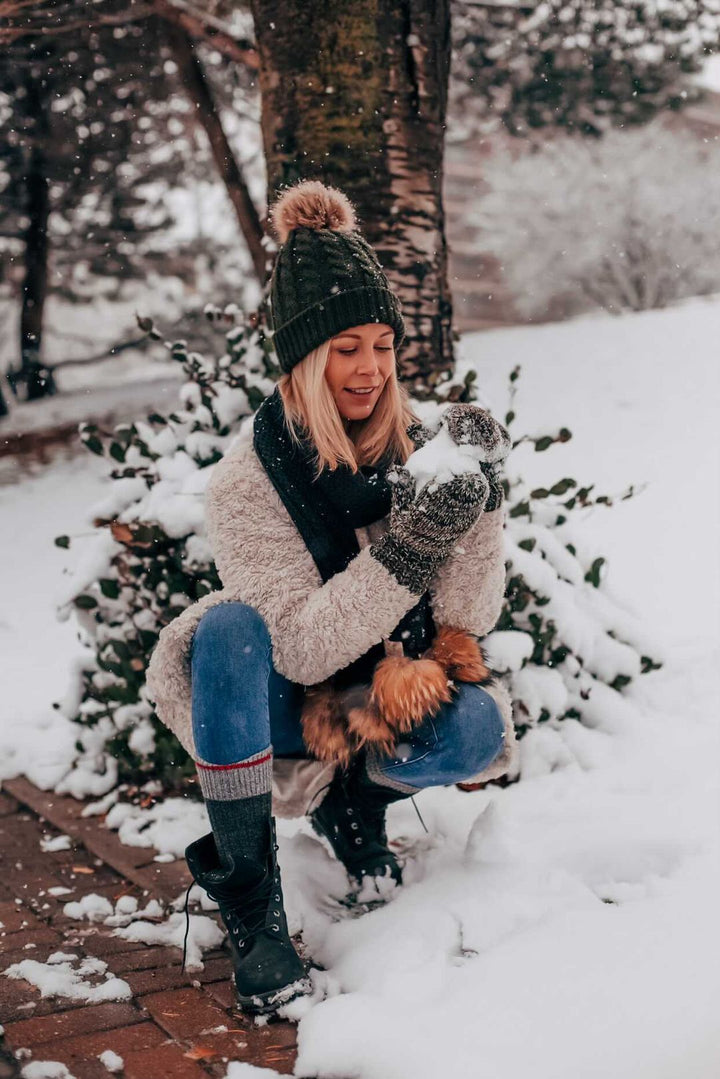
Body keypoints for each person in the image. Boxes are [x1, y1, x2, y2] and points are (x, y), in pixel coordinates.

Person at [145, 179, 516, 1015]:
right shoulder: (250, 480)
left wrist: (484, 503)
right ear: (305, 357)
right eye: (347, 347)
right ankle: (253, 904)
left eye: (382, 344)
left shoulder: (417, 445)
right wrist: (411, 544)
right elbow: (303, 647)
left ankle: (359, 804)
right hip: (285, 696)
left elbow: (470, 617)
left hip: (384, 689)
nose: (371, 368)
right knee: (227, 630)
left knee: (478, 726)